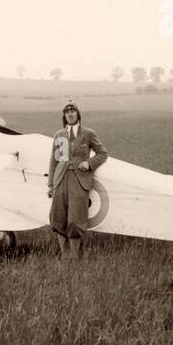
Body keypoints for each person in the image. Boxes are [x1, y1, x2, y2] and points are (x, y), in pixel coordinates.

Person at [46, 100, 108, 257]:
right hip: (60, 180)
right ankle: (64, 256)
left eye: (73, 111)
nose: (70, 114)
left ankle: (74, 257)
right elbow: (54, 161)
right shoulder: (59, 135)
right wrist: (50, 184)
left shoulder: (87, 133)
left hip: (79, 181)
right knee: (58, 217)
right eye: (67, 112)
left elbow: (102, 153)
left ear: (78, 114)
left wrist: (89, 163)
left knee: (75, 218)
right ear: (64, 116)